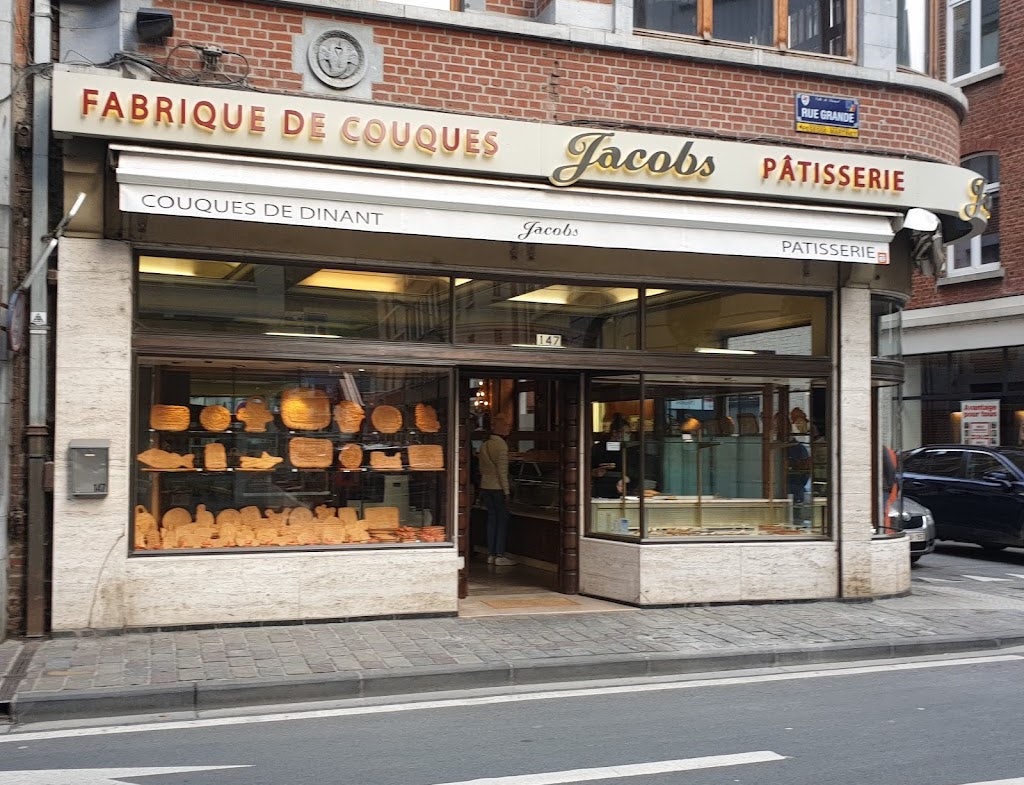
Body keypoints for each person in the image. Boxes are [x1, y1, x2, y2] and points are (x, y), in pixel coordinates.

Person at [478, 413, 514, 566]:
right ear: (500, 427)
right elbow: (502, 472)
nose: (509, 428)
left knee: (492, 519)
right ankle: (499, 554)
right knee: (502, 520)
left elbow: (481, 468)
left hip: (485, 486)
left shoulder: (485, 444)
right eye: (506, 425)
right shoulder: (501, 446)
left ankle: (490, 553)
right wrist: (507, 492)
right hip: (498, 488)